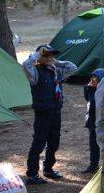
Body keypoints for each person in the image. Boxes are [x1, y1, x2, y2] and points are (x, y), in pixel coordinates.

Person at [21, 45, 78, 185]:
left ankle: (48, 168)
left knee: (54, 141)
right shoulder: (35, 72)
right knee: (39, 142)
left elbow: (73, 68)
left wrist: (56, 62)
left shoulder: (56, 71)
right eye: (45, 55)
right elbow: (25, 64)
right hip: (43, 112)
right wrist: (37, 54)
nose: (48, 58)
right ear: (39, 57)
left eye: (51, 55)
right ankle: (32, 173)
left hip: (56, 110)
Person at [82, 68, 104, 174]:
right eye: (92, 77)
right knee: (93, 144)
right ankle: (93, 165)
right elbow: (87, 99)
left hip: (102, 122)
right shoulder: (92, 89)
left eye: (95, 78)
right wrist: (88, 87)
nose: (92, 79)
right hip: (92, 121)